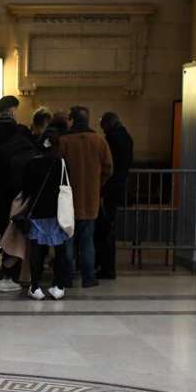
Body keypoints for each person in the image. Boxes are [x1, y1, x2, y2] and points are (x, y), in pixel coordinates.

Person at [0, 95, 36, 293]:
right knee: (11, 233)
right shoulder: (20, 134)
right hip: (13, 193)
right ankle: (7, 274)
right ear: (12, 111)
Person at [60, 106, 113, 287]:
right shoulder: (99, 141)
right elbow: (108, 168)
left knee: (67, 239)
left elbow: (58, 168)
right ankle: (88, 277)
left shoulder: (64, 141)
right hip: (91, 198)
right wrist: (97, 184)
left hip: (67, 199)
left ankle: (67, 278)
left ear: (72, 120)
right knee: (87, 240)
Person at [21, 118, 73, 300]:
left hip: (37, 212)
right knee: (59, 249)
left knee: (36, 249)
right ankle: (58, 286)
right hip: (58, 213)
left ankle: (35, 286)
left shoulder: (32, 163)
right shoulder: (62, 164)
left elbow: (26, 188)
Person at [98, 112, 134, 280]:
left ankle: (106, 268)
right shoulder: (126, 137)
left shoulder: (111, 138)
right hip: (120, 186)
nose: (102, 129)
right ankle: (107, 267)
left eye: (103, 125)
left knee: (105, 229)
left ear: (108, 124)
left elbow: (107, 165)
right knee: (109, 228)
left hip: (110, 188)